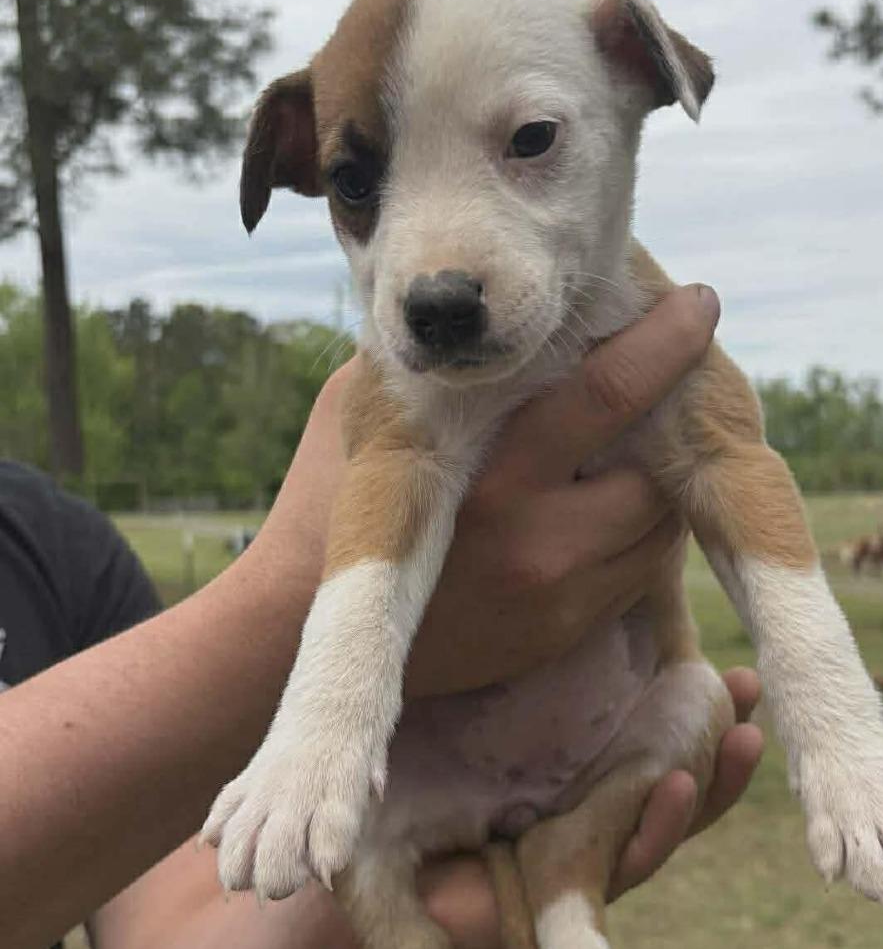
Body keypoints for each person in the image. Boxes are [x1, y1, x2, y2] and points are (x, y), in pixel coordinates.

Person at [0, 285, 763, 949]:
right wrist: (295, 609)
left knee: (701, 701)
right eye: (358, 183)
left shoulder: (60, 552)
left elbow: (168, 923)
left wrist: (429, 910)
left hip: (541, 760)